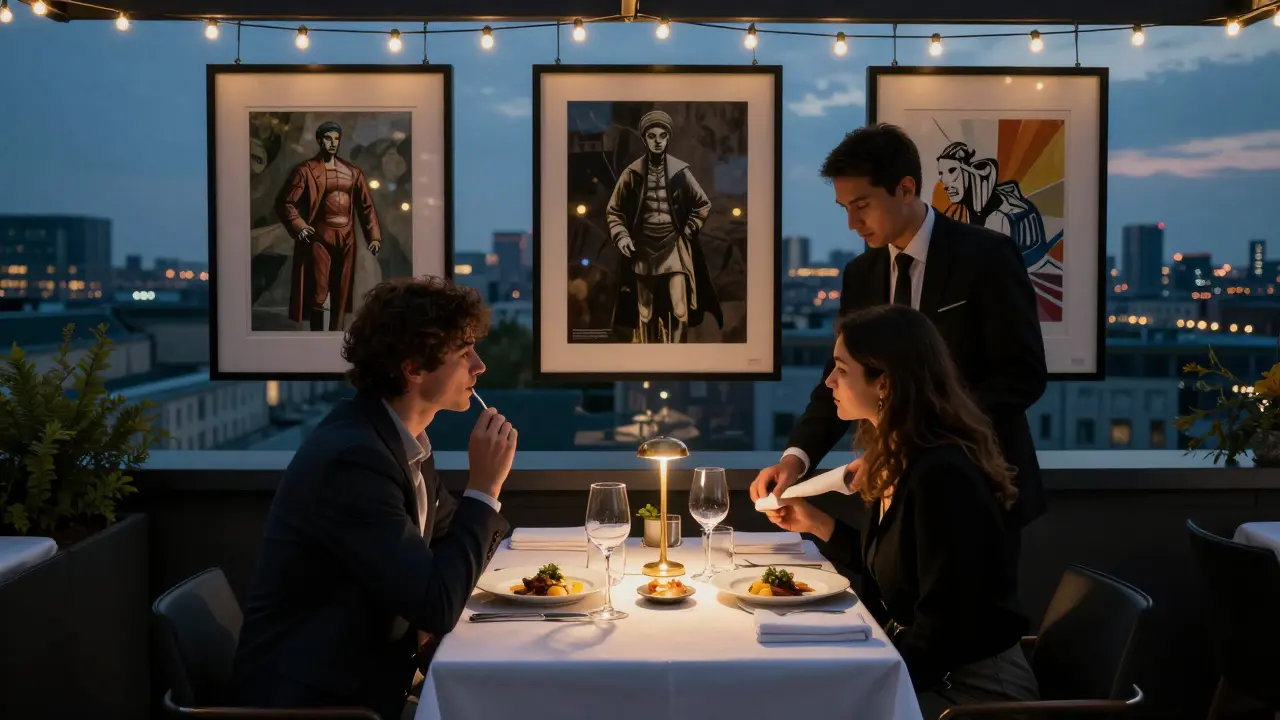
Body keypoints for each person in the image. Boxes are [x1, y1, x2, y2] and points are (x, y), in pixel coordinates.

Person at [751, 123, 1048, 554]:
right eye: (844, 208)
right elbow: (839, 377)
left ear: (906, 189)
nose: (852, 223)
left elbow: (1022, 377)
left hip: (978, 484)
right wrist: (796, 459)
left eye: (862, 205)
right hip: (890, 489)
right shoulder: (861, 274)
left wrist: (909, 443)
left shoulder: (986, 256)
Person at [232, 276, 515, 720]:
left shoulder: (403, 441)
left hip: (370, 683)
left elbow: (444, 542)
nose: (479, 366)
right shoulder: (355, 460)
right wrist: (486, 487)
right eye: (464, 354)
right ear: (414, 367)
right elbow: (435, 604)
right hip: (320, 704)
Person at [762, 305, 1039, 715]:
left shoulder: (941, 476)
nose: (829, 381)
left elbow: (942, 626)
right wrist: (816, 524)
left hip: (974, 695)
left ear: (884, 384)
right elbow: (894, 577)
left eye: (841, 370)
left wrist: (865, 682)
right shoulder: (897, 459)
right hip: (929, 670)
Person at [605, 109, 722, 344]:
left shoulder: (680, 172)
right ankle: (648, 353)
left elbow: (703, 204)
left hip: (673, 246)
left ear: (668, 138)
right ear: (644, 138)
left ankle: (678, 353)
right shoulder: (632, 173)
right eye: (652, 136)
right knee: (645, 311)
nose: (657, 141)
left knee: (680, 309)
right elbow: (614, 210)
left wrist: (689, 229)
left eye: (662, 136)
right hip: (643, 247)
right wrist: (622, 236)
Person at [276, 120, 383, 331]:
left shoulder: (352, 172)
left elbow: (366, 206)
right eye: (328, 138)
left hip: (346, 237)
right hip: (319, 235)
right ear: (319, 140)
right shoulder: (305, 170)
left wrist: (374, 236)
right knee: (319, 290)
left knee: (341, 291)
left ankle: (335, 335)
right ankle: (318, 335)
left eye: (336, 139)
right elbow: (285, 202)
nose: (333, 143)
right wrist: (299, 225)